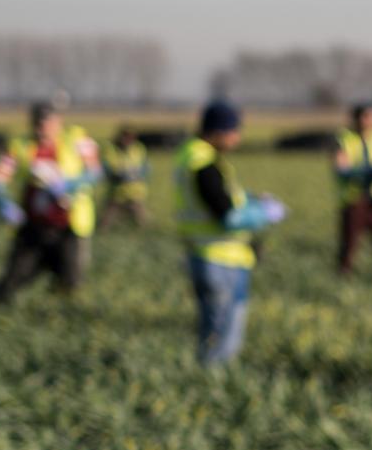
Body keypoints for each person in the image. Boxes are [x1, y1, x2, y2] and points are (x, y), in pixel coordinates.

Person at [173, 100, 286, 368]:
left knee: (214, 333)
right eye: (234, 130)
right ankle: (208, 387)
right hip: (219, 260)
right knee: (222, 341)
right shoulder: (204, 164)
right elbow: (226, 216)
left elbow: (224, 198)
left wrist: (251, 199)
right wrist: (263, 214)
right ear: (218, 131)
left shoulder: (194, 156)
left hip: (213, 256)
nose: (237, 137)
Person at [0, 99, 104, 304]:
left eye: (48, 122)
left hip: (69, 227)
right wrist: (2, 203)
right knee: (12, 280)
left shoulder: (76, 140)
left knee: (71, 282)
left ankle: (55, 317)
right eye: (38, 123)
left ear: (58, 121)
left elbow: (96, 172)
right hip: (33, 227)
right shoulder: (20, 147)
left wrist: (70, 185)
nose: (43, 128)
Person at [332, 102, 372, 273]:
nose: (367, 121)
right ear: (355, 119)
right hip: (355, 199)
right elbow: (340, 168)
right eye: (364, 117)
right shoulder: (344, 139)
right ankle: (344, 276)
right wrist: (367, 173)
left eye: (370, 116)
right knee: (349, 245)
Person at [99, 125, 150, 229]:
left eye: (131, 137)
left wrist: (137, 175)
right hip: (117, 193)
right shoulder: (111, 150)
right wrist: (119, 176)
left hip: (135, 193)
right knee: (105, 221)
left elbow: (146, 168)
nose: (127, 139)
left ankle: (142, 235)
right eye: (125, 136)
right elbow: (107, 169)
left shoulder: (138, 149)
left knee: (142, 220)